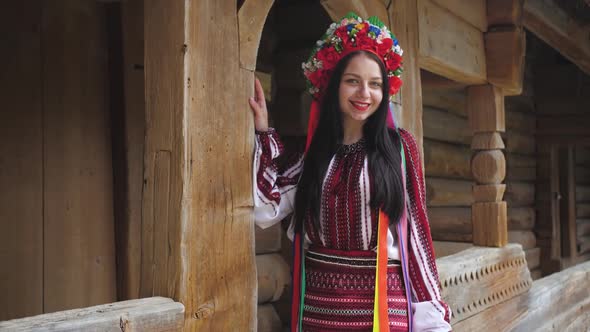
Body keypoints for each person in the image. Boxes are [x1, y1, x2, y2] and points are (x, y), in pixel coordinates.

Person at [249, 13, 451, 332]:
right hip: (320, 314)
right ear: (333, 85)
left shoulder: (399, 149)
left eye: (374, 84)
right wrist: (262, 133)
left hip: (382, 312)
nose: (364, 93)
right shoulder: (312, 155)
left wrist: (433, 320)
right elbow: (264, 209)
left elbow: (416, 238)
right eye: (353, 81)